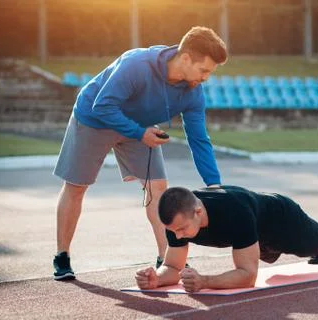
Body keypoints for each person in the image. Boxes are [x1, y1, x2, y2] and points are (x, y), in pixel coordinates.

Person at [52, 26, 227, 280]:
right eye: (204, 70)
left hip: (139, 127)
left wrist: (214, 186)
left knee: (158, 187)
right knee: (76, 186)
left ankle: (166, 259)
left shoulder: (193, 92)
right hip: (95, 118)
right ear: (186, 58)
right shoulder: (137, 64)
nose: (206, 78)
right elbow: (103, 105)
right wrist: (138, 133)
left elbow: (199, 140)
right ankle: (62, 256)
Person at [135, 185, 318, 293]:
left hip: (282, 220)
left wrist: (204, 281)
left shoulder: (234, 212)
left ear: (198, 212)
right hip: (256, 234)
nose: (177, 236)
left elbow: (248, 276)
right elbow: (173, 267)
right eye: (173, 231)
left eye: (181, 230)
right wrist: (156, 278)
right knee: (289, 253)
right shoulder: (176, 219)